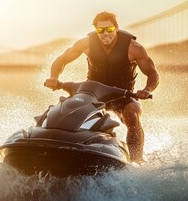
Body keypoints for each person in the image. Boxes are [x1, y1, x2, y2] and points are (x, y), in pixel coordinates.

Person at [44, 11, 159, 163]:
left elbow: (152, 73)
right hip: (92, 94)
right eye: (101, 30)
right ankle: (57, 146)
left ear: (116, 28)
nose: (105, 33)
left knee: (132, 114)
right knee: (69, 110)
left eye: (109, 29)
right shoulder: (86, 43)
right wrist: (54, 77)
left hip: (122, 95)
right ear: (96, 30)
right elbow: (62, 60)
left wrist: (147, 90)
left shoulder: (134, 48)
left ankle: (136, 162)